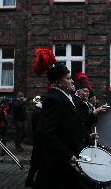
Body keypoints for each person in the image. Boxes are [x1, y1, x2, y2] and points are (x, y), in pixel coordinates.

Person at [33, 48, 98, 189]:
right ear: (58, 82)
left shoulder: (66, 97)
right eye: (68, 78)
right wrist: (67, 155)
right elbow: (46, 133)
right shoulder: (54, 99)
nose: (72, 80)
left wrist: (87, 136)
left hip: (67, 160)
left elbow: (71, 125)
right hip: (58, 164)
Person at [25, 95, 43, 187]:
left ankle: (30, 180)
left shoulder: (38, 111)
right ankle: (31, 180)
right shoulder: (38, 112)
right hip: (39, 140)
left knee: (36, 163)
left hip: (38, 139)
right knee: (36, 162)